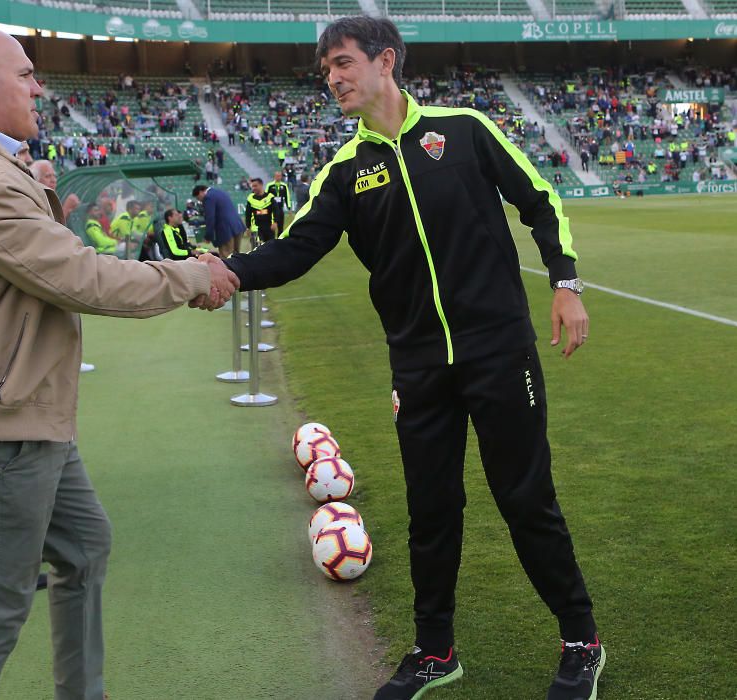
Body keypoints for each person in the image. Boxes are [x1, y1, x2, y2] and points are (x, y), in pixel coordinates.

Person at [219, 17, 601, 700]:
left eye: (342, 63)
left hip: (497, 351)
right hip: (419, 366)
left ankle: (580, 641)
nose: (332, 78)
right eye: (325, 70)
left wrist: (565, 284)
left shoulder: (463, 129)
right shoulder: (344, 171)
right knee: (430, 510)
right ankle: (434, 652)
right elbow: (295, 249)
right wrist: (223, 274)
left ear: (383, 61)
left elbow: (538, 200)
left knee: (525, 500)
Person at [0, 27, 237, 700]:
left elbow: (5, 271)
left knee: (84, 546)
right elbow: (79, 278)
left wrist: (31, 182)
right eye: (24, 74)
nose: (39, 87)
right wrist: (191, 276)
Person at [192, 183, 246, 258]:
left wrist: (208, 236)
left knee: (226, 257)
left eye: (198, 198)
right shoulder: (219, 192)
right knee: (236, 255)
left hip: (225, 230)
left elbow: (210, 218)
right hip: (237, 226)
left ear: (201, 192)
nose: (200, 201)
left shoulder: (208, 197)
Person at [244, 177, 277, 245]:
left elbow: (276, 211)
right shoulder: (250, 199)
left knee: (271, 247)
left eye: (255, 186)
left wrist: (275, 222)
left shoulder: (270, 197)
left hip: (269, 227)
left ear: (261, 185)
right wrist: (248, 227)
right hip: (256, 228)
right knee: (257, 249)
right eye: (252, 186)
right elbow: (248, 214)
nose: (253, 188)